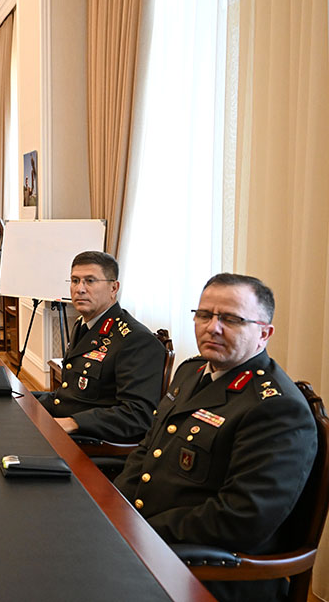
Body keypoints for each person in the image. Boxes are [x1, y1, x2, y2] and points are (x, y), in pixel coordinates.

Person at [115, 273, 317, 602]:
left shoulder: (275, 408)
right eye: (205, 315)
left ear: (264, 333)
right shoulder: (193, 371)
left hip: (210, 571)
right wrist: (113, 508)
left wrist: (142, 529)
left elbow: (241, 519)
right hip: (152, 544)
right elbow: (147, 450)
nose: (213, 327)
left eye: (231, 319)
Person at [38, 251, 165, 441]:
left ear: (114, 288)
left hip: (90, 443)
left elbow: (138, 415)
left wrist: (72, 422)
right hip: (65, 429)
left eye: (90, 281)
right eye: (75, 280)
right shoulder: (85, 324)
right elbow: (70, 393)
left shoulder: (135, 340)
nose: (80, 289)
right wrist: (24, 400)